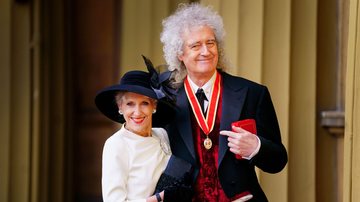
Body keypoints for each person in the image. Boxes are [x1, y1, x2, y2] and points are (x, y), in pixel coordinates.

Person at [160, 3, 288, 201]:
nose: (206, 51)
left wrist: (256, 147)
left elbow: (278, 160)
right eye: (195, 45)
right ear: (180, 54)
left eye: (210, 43)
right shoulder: (164, 99)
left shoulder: (253, 93)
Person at [95, 56, 192, 202]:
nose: (138, 112)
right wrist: (157, 199)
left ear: (154, 106)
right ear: (120, 107)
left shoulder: (162, 134)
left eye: (144, 103)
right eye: (130, 104)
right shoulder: (115, 145)